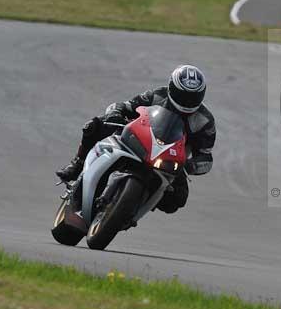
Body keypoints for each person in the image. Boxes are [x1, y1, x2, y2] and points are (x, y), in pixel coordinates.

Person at [56, 65, 216, 214]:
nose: (186, 101)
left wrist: (189, 166)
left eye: (192, 97)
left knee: (176, 200)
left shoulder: (205, 121)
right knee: (93, 126)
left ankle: (136, 205)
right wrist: (115, 113)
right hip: (138, 138)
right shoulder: (157, 95)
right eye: (182, 95)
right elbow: (125, 105)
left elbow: (206, 157)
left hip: (169, 160)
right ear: (172, 88)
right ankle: (77, 163)